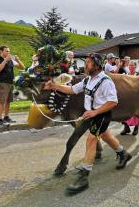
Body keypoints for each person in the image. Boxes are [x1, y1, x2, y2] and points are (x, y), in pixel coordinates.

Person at [44, 53, 132, 194]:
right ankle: (123, 154)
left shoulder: (105, 81)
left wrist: (95, 112)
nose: (85, 65)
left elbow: (113, 102)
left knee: (91, 140)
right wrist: (55, 86)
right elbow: (72, 90)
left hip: (101, 115)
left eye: (88, 63)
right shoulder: (88, 80)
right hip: (90, 114)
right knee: (105, 135)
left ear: (96, 65)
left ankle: (84, 177)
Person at [0, 46, 25, 125]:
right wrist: (5, 60)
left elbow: (22, 67)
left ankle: (6, 117)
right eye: (6, 51)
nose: (8, 52)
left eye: (9, 51)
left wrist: (17, 60)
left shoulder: (11, 60)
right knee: (1, 101)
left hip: (10, 82)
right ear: (1, 51)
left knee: (8, 101)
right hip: (2, 83)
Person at [120, 61, 139, 135]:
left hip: (135, 97)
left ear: (135, 67)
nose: (131, 67)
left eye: (132, 65)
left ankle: (136, 127)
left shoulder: (138, 75)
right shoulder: (124, 75)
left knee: (135, 114)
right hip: (126, 97)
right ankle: (126, 128)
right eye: (130, 65)